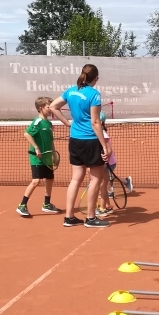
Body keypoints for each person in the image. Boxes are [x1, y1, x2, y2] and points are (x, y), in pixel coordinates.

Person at [50, 64, 110, 228]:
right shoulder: (94, 94)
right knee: (96, 179)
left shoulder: (71, 91)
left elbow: (53, 106)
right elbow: (95, 122)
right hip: (90, 140)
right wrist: (104, 146)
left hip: (75, 139)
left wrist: (68, 124)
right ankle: (90, 218)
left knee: (76, 179)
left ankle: (69, 217)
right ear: (96, 78)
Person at [16, 96, 63, 218]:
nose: (51, 109)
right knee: (36, 181)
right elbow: (27, 134)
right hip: (37, 157)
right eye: (48, 107)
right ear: (41, 108)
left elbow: (51, 140)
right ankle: (22, 205)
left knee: (50, 179)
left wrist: (54, 154)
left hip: (47, 157)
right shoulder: (37, 122)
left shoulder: (49, 124)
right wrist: (36, 148)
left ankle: (47, 204)